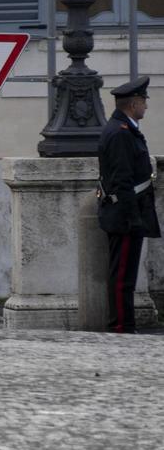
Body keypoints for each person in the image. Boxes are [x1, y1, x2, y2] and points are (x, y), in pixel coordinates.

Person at [97, 75, 159, 334]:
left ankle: (124, 324)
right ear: (133, 103)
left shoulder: (124, 128)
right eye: (144, 100)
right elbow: (122, 181)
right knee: (122, 277)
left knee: (125, 276)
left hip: (127, 215)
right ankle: (121, 327)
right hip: (124, 217)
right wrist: (132, 219)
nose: (146, 105)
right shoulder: (121, 133)